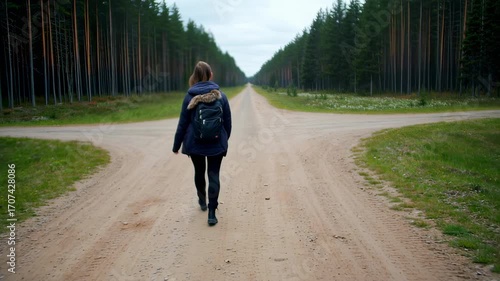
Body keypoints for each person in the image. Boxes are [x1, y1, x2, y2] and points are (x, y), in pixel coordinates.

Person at [172, 61, 232, 226]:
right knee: (214, 175)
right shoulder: (221, 96)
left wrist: (176, 145)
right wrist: (224, 140)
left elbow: (183, 123)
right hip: (216, 143)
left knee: (199, 172)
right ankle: (212, 213)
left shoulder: (189, 96)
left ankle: (202, 200)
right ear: (211, 75)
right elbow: (228, 122)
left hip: (195, 143)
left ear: (194, 76)